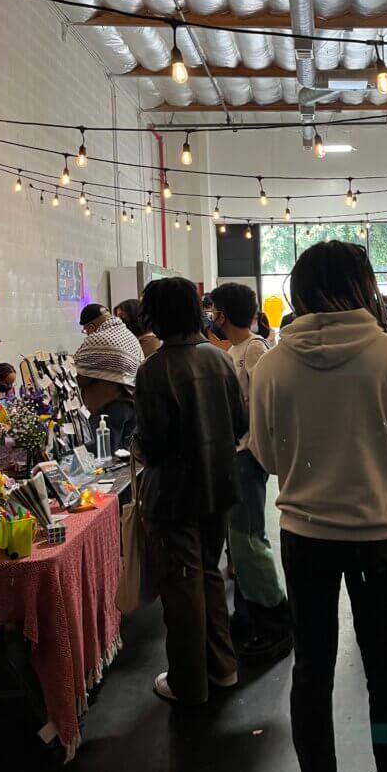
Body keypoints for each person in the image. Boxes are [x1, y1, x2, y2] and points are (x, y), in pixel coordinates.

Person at [249, 240, 387, 772]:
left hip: (305, 535)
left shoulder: (273, 364)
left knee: (312, 669)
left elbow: (264, 453)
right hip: (379, 538)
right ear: (363, 284)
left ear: (300, 291)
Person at [135, 277, 247, 705]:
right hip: (218, 485)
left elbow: (154, 443)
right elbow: (239, 424)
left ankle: (187, 683)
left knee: (181, 590)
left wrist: (140, 449)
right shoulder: (218, 360)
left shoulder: (154, 370)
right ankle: (223, 668)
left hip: (175, 495)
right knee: (209, 576)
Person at [209, 282, 292, 665]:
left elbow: (264, 405)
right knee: (240, 543)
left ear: (224, 315)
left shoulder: (255, 349)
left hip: (247, 456)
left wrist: (256, 449)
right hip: (237, 455)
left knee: (248, 542)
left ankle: (276, 622)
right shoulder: (237, 350)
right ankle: (249, 617)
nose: (211, 317)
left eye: (214, 311)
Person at [74, 303, 143, 453]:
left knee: (106, 457)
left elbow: (80, 375)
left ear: (91, 327)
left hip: (107, 409)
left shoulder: (97, 339)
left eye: (86, 330)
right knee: (126, 456)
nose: (86, 334)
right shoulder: (128, 335)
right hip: (132, 405)